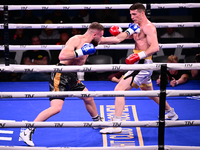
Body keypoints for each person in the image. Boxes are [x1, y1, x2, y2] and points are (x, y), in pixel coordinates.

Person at [20, 21, 138, 146]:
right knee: (56, 108)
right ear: (94, 34)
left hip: (72, 75)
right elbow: (62, 56)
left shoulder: (95, 41)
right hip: (61, 74)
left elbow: (116, 39)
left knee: (88, 97)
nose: (101, 38)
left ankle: (97, 122)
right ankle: (28, 130)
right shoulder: (76, 40)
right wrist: (81, 51)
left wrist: (130, 31)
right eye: (100, 36)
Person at [99, 3, 179, 134]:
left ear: (142, 13)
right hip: (139, 63)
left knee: (119, 89)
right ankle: (171, 113)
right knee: (150, 92)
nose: (132, 17)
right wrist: (101, 39)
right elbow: (120, 39)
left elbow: (155, 47)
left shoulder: (149, 27)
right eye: (130, 14)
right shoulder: (136, 26)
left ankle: (116, 125)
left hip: (142, 64)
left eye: (134, 14)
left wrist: (139, 56)